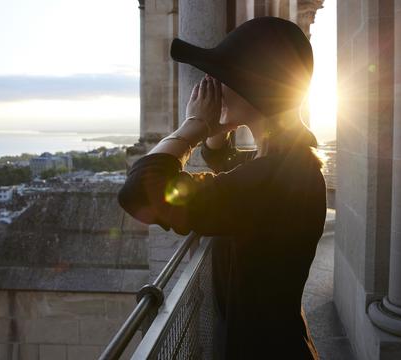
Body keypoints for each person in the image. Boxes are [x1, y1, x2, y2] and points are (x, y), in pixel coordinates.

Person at [118, 16, 327, 359]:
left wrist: (194, 126)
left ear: (254, 88)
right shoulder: (290, 163)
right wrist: (216, 141)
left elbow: (141, 190)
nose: (210, 84)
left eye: (222, 76)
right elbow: (239, 177)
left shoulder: (274, 179)